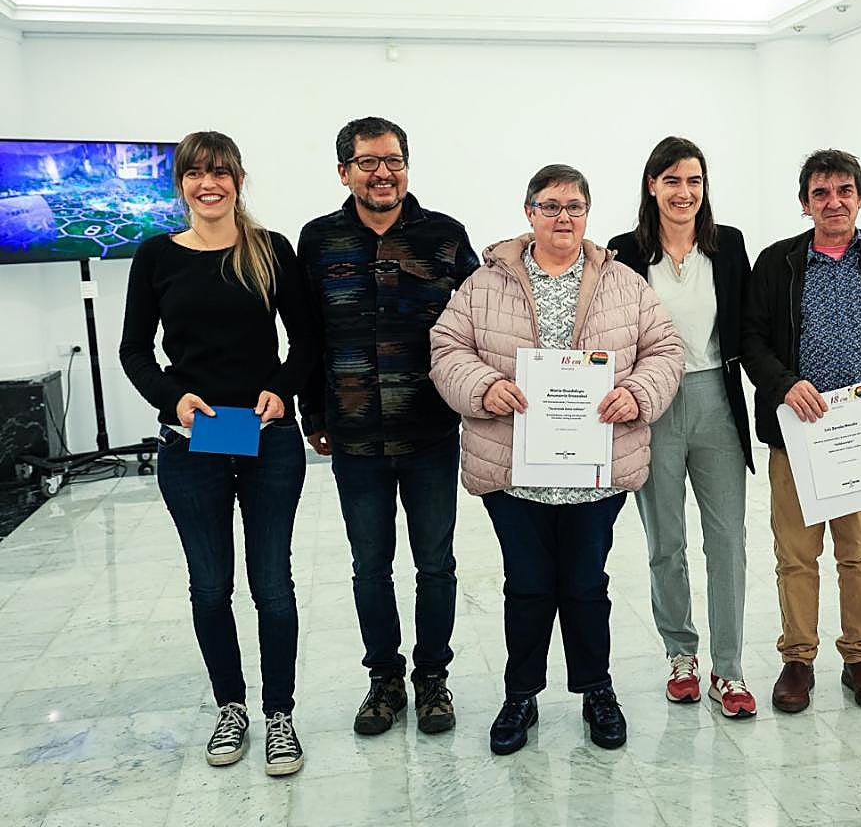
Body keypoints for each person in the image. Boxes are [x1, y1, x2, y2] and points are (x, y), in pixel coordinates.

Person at [430, 164, 683, 755]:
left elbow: (665, 348)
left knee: (587, 585)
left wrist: (638, 393)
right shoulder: (485, 283)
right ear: (529, 213)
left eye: (574, 207)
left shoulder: (622, 282)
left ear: (587, 215)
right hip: (514, 472)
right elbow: (446, 347)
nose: (562, 217)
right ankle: (521, 695)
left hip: (596, 473)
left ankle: (597, 691)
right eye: (550, 206)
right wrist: (484, 386)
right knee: (527, 586)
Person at [119, 130, 315, 776]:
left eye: (220, 171)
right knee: (209, 587)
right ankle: (231, 707)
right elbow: (134, 350)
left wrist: (282, 390)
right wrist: (172, 399)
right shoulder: (155, 255)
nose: (209, 184)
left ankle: (279, 715)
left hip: (267, 440)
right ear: (180, 184)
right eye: (196, 173)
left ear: (238, 178)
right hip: (191, 444)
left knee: (273, 586)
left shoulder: (270, 250)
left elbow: (307, 342)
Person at [296, 116, 479, 736]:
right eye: (368, 162)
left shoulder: (445, 236)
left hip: (430, 431)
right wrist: (312, 412)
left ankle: (432, 678)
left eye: (394, 160)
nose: (383, 173)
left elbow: (480, 318)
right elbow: (308, 335)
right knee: (370, 567)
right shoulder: (318, 240)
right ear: (343, 171)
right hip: (353, 437)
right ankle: (384, 680)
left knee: (436, 565)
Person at [742, 149, 861, 714]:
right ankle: (798, 658)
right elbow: (751, 339)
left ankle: (860, 658)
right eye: (820, 193)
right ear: (805, 204)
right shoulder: (777, 263)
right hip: (796, 434)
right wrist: (783, 384)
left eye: (844, 191)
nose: (834, 202)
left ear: (860, 198)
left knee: (859, 552)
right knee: (796, 555)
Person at [606, 137, 757, 718]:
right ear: (652, 186)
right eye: (671, 180)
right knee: (665, 542)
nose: (684, 192)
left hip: (717, 399)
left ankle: (730, 669)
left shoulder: (729, 245)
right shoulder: (624, 253)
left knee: (727, 542)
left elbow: (750, 326)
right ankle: (681, 655)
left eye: (694, 180)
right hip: (654, 405)